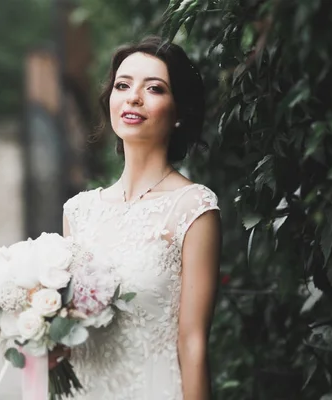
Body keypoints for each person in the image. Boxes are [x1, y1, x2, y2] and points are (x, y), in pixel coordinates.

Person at [57, 35, 221, 399]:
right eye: (123, 85)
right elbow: (70, 330)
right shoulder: (78, 212)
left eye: (155, 89)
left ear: (179, 113)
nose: (133, 97)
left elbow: (193, 344)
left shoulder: (193, 208)